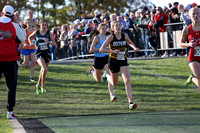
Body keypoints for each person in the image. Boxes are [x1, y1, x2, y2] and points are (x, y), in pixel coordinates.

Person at [99, 21, 139, 110]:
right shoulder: (111, 37)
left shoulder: (125, 35)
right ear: (113, 27)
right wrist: (112, 51)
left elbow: (130, 42)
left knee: (127, 80)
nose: (118, 27)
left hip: (123, 60)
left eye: (120, 25)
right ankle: (106, 75)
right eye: (116, 25)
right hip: (113, 61)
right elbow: (102, 49)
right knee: (115, 84)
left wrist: (134, 47)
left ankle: (130, 103)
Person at [0, 5, 26, 119]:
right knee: (11, 87)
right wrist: (16, 22)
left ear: (2, 13)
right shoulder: (14, 25)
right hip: (10, 60)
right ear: (12, 15)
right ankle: (9, 111)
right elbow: (22, 38)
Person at [86, 23, 116, 102]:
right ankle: (91, 70)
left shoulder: (107, 37)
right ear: (99, 30)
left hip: (106, 58)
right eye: (102, 29)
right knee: (98, 80)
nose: (104, 30)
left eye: (105, 28)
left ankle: (111, 95)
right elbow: (91, 50)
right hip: (98, 59)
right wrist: (100, 48)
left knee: (108, 74)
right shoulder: (97, 38)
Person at [28, 19, 56, 94]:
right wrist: (31, 43)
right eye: (42, 25)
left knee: (43, 70)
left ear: (47, 26)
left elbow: (55, 44)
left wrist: (49, 42)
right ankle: (42, 86)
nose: (44, 26)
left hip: (46, 53)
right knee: (44, 68)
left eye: (45, 25)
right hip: (38, 53)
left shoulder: (48, 33)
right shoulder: (37, 32)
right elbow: (29, 37)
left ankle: (38, 85)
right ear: (40, 25)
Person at [180, 7, 200, 93]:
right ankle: (194, 78)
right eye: (193, 14)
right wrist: (189, 44)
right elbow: (181, 43)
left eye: (198, 13)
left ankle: (192, 78)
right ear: (189, 16)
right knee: (199, 76)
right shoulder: (187, 29)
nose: (196, 15)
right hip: (193, 56)